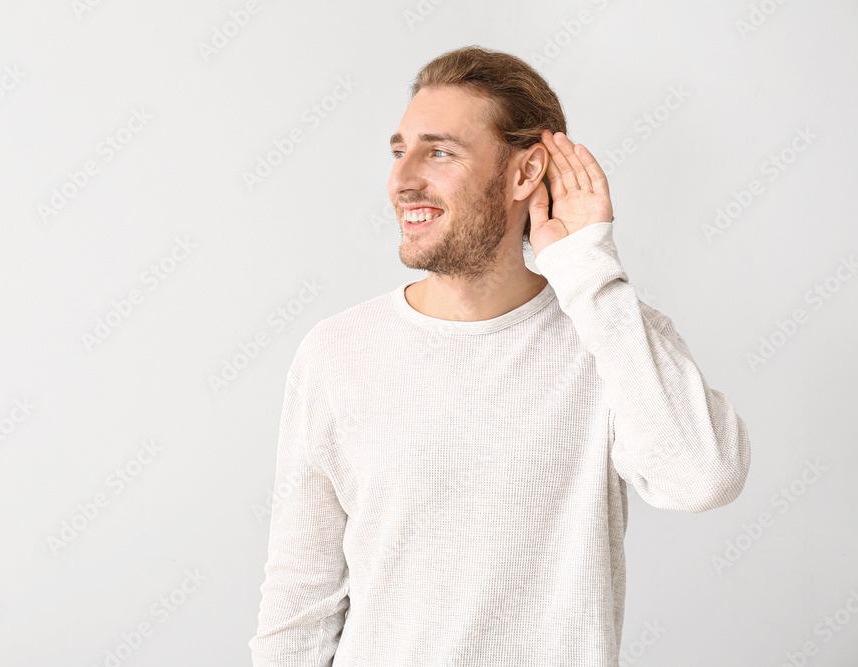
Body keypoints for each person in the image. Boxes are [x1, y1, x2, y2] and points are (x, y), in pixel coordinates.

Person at [248, 44, 751, 666]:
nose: (403, 181)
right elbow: (301, 599)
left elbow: (703, 478)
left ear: (523, 174)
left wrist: (587, 269)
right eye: (400, 151)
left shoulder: (608, 332)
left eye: (439, 151)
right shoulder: (338, 350)